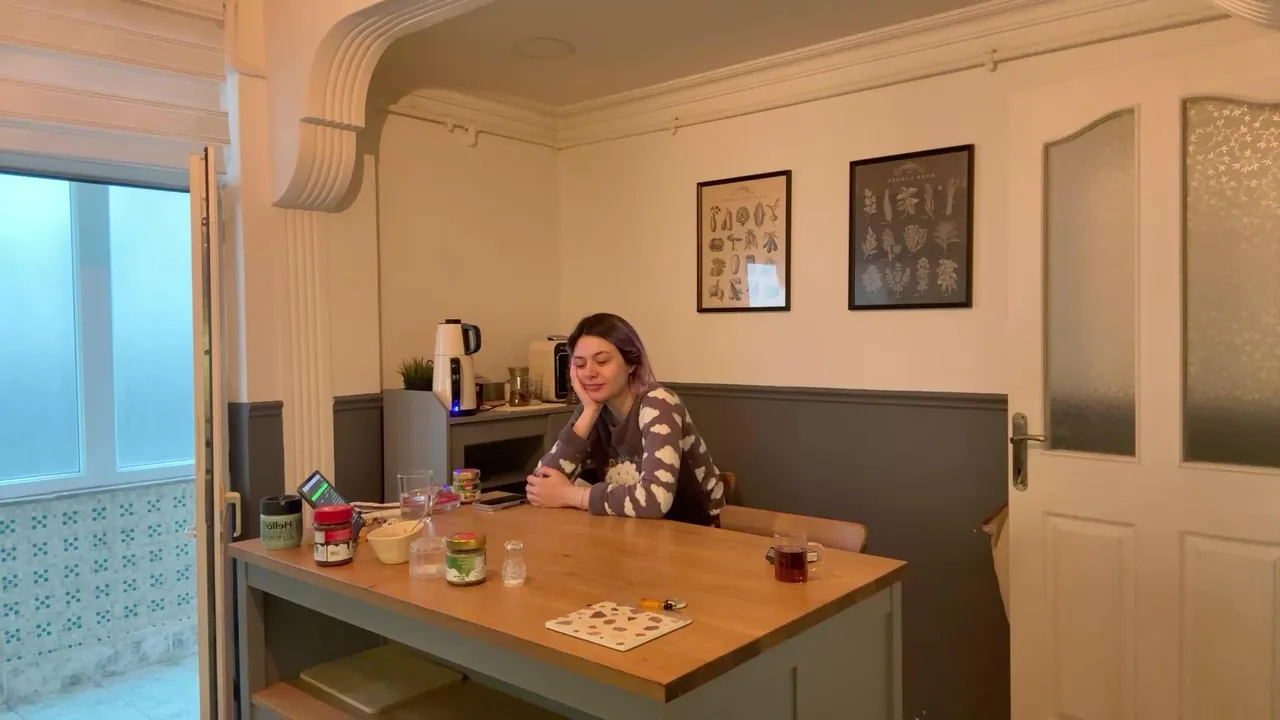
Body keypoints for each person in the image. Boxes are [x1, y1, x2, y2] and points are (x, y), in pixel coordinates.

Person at [525, 313, 726, 525]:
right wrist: (589, 411)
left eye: (602, 361)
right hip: (631, 526)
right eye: (580, 364)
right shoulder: (592, 408)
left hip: (693, 528)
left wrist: (572, 495)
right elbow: (540, 486)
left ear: (631, 363)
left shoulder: (659, 403)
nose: (589, 372)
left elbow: (654, 501)